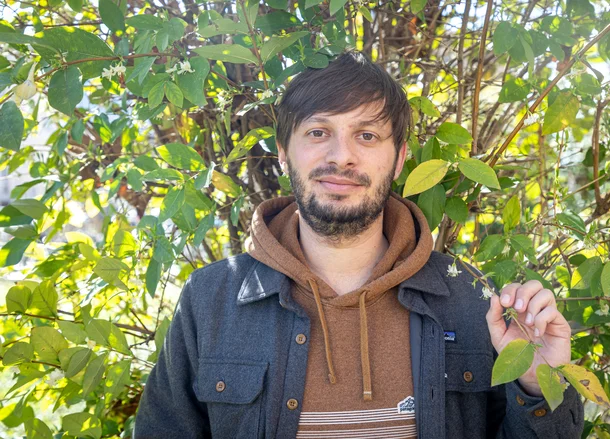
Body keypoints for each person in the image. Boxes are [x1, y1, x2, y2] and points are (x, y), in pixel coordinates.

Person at [133, 51, 583, 438]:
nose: (341, 156)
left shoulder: (471, 300)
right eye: (317, 132)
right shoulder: (210, 301)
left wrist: (538, 381)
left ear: (400, 157)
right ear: (284, 151)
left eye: (366, 135)